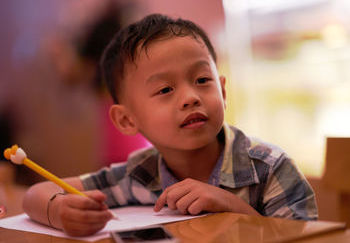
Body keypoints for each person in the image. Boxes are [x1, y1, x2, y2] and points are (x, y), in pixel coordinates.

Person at [22, 14, 318, 236]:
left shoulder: (269, 168)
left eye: (202, 80)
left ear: (223, 92)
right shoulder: (139, 175)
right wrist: (58, 211)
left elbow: (308, 240)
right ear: (127, 120)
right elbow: (36, 194)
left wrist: (231, 205)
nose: (190, 97)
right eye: (165, 90)